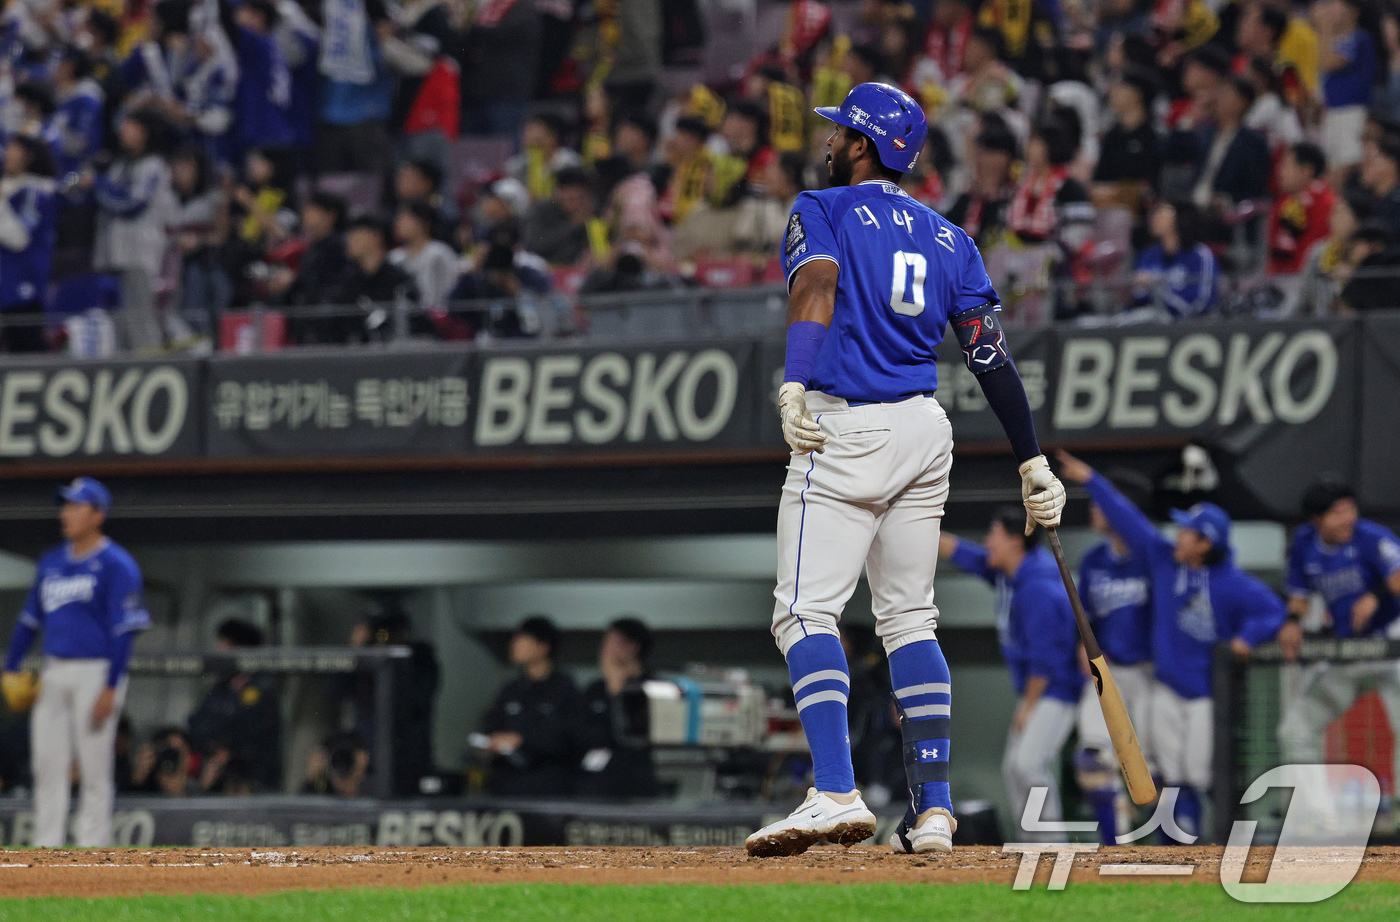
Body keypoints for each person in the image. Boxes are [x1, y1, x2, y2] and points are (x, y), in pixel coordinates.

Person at [745, 83, 1067, 859]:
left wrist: (795, 376)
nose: (830, 143)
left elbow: (816, 285)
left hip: (845, 422)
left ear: (863, 145)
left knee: (804, 613)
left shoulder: (821, 209)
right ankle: (934, 813)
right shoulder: (952, 237)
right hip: (925, 429)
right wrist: (1031, 456)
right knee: (909, 620)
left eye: (842, 133)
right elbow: (988, 353)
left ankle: (833, 792)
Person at [1056, 450, 1287, 842]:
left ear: (1205, 543)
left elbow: (1272, 610)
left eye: (1187, 532)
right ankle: (1175, 846)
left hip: (1203, 693)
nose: (1177, 535)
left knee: (1198, 773)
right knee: (1167, 772)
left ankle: (1219, 840)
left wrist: (1247, 638)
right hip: (1164, 685)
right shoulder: (1165, 562)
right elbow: (1130, 521)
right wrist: (1093, 480)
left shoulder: (1232, 582)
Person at [1, 478, 150, 846]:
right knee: (47, 765)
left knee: (94, 767)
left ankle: (91, 851)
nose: (66, 513)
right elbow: (29, 620)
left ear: (98, 514)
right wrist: (10, 665)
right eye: (64, 505)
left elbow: (124, 632)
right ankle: (46, 848)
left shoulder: (117, 564)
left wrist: (111, 686)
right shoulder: (51, 562)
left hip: (96, 671)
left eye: (76, 506)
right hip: (54, 670)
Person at [939, 511, 1084, 842]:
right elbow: (966, 554)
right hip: (1040, 690)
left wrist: (1029, 705)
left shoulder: (1039, 586)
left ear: (1016, 541)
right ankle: (1031, 842)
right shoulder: (1012, 572)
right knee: (1015, 767)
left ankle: (1051, 845)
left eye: (995, 534)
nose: (988, 542)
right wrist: (919, 523)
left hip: (1057, 689)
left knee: (1028, 765)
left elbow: (1046, 658)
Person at [1277, 477, 1400, 791]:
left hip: (1392, 639)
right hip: (1348, 648)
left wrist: (1376, 594)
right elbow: (1300, 595)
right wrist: (1292, 620)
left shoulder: (1371, 536)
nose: (1349, 518)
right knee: (1296, 731)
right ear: (1317, 519)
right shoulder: (1305, 543)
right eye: (1338, 512)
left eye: (1350, 509)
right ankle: (1318, 823)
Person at [1070, 470, 1155, 845]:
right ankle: (1114, 842)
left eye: (1103, 504)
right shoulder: (1093, 562)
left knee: (1159, 770)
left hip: (1154, 677)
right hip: (1109, 671)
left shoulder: (1153, 556)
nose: (1095, 510)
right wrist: (1081, 648)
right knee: (1091, 759)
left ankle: (1174, 853)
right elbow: (1085, 613)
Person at [88, 110, 173, 352]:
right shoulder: (119, 165)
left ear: (145, 132)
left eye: (130, 127)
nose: (123, 132)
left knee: (139, 323)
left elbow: (131, 206)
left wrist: (97, 184)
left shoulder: (154, 166)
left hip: (138, 255)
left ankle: (152, 375)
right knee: (116, 325)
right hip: (111, 254)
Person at [477, 616, 580, 797]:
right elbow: (490, 724)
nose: (515, 644)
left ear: (543, 647)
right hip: (506, 787)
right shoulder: (511, 689)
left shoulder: (564, 689)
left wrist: (521, 740)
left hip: (548, 790)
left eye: (523, 639)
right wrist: (489, 743)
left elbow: (567, 737)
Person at [187, 619, 282, 794]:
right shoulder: (220, 688)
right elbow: (196, 725)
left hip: (255, 784)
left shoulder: (263, 687)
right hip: (218, 782)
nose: (217, 648)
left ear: (240, 649)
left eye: (224, 644)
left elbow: (248, 730)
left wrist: (226, 746)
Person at [575, 617, 658, 799]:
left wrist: (617, 692)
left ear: (632, 646)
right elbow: (582, 733)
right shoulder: (595, 689)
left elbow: (635, 735)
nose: (605, 648)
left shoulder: (653, 687)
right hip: (596, 783)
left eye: (612, 641)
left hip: (636, 782)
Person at [0, 135, 58, 354]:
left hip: (25, 282)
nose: (7, 154)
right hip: (7, 284)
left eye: (14, 150)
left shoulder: (36, 192)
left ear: (29, 157)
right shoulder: (10, 189)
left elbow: (19, 238)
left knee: (28, 346)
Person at [1132, 201, 1220, 318]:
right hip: (1150, 321)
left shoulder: (1200, 255)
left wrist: (1157, 287)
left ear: (1178, 220)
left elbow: (1202, 303)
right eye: (1153, 215)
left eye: (1161, 214)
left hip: (1190, 326)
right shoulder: (1148, 255)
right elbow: (1138, 298)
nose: (1154, 219)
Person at [1267, 143, 1336, 276]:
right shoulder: (1283, 203)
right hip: (1278, 281)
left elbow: (1312, 255)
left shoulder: (1327, 205)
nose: (1280, 171)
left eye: (1287, 165)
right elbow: (1273, 254)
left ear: (1306, 171)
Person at [303, 730, 370, 797]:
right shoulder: (319, 790)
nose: (342, 762)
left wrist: (356, 782)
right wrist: (315, 781)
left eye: (347, 758)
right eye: (337, 758)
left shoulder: (375, 793)